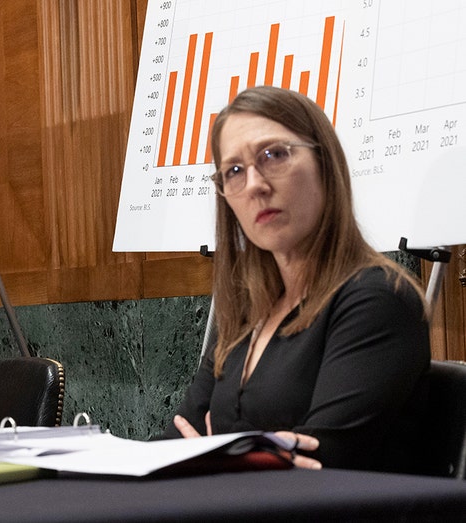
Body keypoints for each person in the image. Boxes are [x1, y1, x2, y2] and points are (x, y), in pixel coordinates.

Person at [163, 86, 430, 473]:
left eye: (275, 155)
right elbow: (173, 441)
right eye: (234, 171)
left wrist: (212, 454)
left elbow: (321, 466)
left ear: (325, 163)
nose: (254, 184)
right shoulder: (244, 309)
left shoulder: (378, 299)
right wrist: (242, 455)